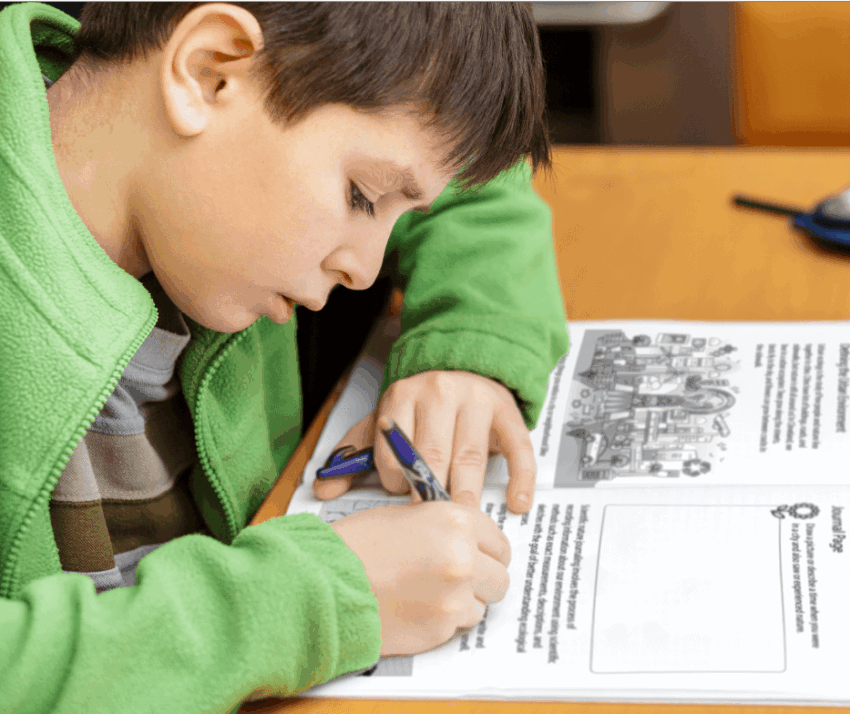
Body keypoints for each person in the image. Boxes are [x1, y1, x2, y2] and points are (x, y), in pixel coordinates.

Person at [0, 2, 569, 712]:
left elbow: (467, 175)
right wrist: (312, 598)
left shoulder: (205, 221)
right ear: (209, 73)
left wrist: (466, 349)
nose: (366, 268)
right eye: (362, 197)